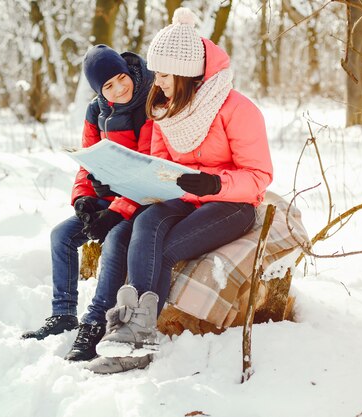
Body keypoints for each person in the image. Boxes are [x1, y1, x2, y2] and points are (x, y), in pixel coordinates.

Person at [86, 8, 273, 374]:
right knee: (146, 224)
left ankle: (137, 337)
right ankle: (131, 331)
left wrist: (216, 182)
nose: (159, 80)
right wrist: (142, 180)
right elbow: (158, 163)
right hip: (184, 198)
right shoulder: (164, 109)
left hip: (231, 203)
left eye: (165, 73)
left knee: (167, 249)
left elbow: (260, 175)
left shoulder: (237, 108)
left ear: (187, 73)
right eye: (156, 72)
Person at [21, 44, 154, 362]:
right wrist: (82, 200)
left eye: (122, 78)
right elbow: (88, 162)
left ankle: (94, 325)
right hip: (105, 198)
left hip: (140, 201)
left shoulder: (150, 103)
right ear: (99, 91)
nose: (120, 88)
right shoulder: (97, 111)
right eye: (109, 85)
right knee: (61, 236)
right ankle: (63, 313)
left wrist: (114, 213)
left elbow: (148, 171)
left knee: (112, 242)